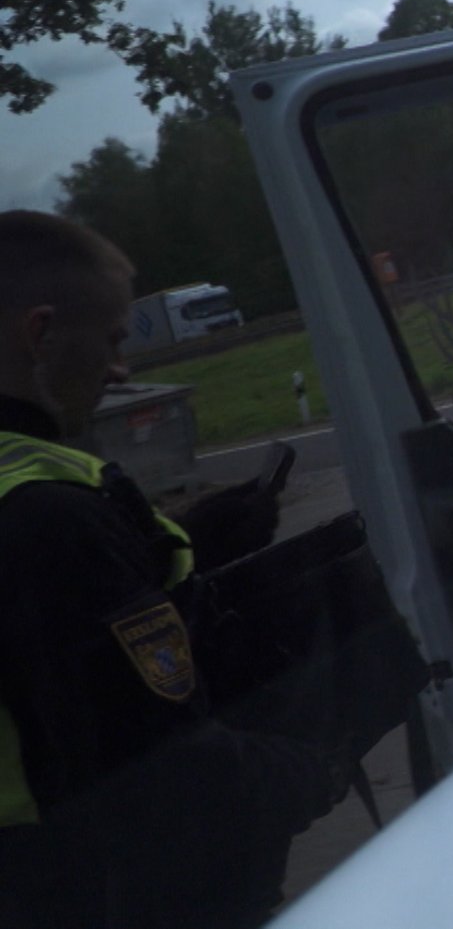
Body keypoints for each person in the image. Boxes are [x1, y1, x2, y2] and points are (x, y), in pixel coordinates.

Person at [0, 210, 342, 928]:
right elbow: (169, 775)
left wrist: (187, 545)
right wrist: (317, 767)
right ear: (40, 333)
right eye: (114, 339)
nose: (121, 369)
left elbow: (46, 645)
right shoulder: (47, 512)